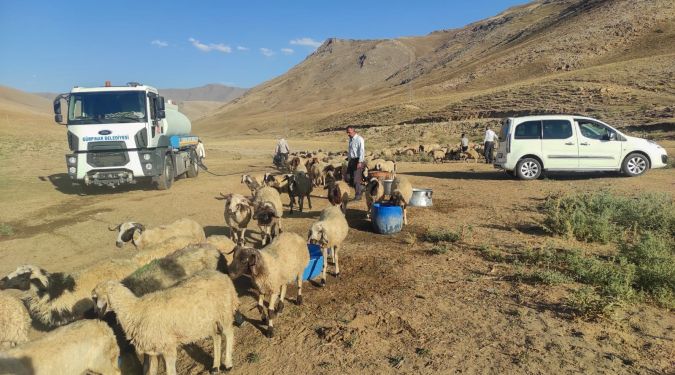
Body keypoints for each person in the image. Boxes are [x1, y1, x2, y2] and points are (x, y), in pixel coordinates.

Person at [346, 126, 365, 201]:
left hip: (358, 160)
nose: (348, 133)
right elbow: (351, 151)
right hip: (351, 161)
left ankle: (358, 196)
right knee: (348, 177)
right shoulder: (350, 139)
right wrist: (349, 159)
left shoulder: (359, 139)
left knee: (356, 180)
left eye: (349, 132)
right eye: (347, 132)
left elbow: (362, 151)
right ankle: (361, 188)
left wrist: (360, 162)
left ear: (353, 131)